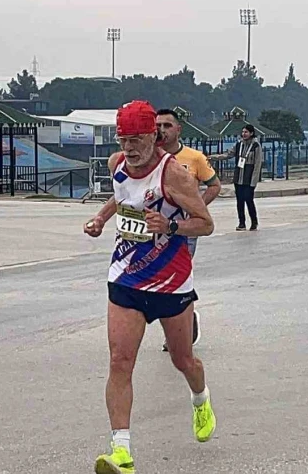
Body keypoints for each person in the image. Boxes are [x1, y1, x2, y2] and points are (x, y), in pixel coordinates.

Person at [84, 101, 217, 474]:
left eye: (136, 139)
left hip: (172, 282)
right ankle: (121, 452)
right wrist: (100, 217)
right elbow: (122, 194)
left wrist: (170, 227)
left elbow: (205, 224)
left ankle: (200, 399)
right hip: (126, 277)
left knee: (182, 360)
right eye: (123, 139)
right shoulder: (116, 165)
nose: (129, 148)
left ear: (153, 136)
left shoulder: (174, 175)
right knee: (120, 361)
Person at [155, 108, 222, 352]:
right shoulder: (151, 157)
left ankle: (181, 327)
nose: (162, 130)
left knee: (176, 276)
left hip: (184, 231)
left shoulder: (194, 158)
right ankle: (181, 324)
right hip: (154, 230)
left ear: (178, 129)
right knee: (161, 279)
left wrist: (196, 209)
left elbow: (214, 185)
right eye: (158, 125)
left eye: (167, 125)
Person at [208, 124, 263, 230]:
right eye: (243, 132)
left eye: (246, 132)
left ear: (251, 133)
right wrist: (213, 157)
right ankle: (241, 223)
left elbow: (257, 164)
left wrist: (254, 182)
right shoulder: (239, 144)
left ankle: (254, 222)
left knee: (249, 200)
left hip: (249, 178)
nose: (244, 134)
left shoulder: (256, 146)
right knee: (239, 201)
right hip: (238, 178)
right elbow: (228, 155)